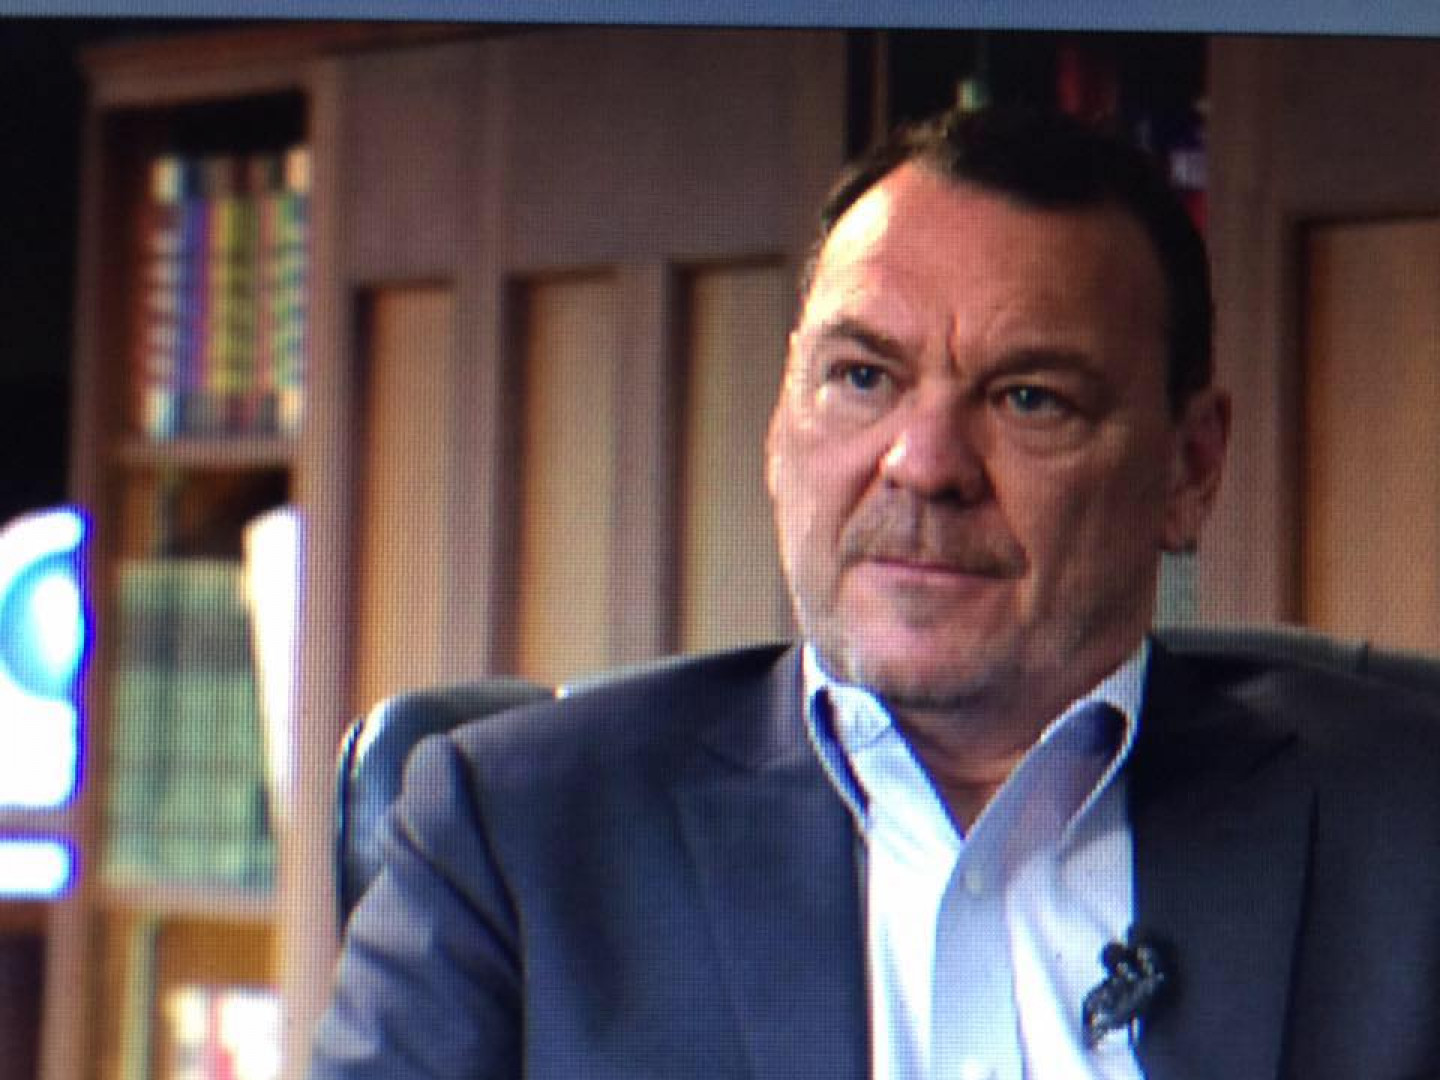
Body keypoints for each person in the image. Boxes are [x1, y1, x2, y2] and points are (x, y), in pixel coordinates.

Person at [309, 106, 1440, 1080]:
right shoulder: (515, 835)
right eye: (862, 378)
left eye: (1029, 398)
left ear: (1188, 469)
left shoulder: (1406, 825)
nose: (924, 463)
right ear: (779, 422)